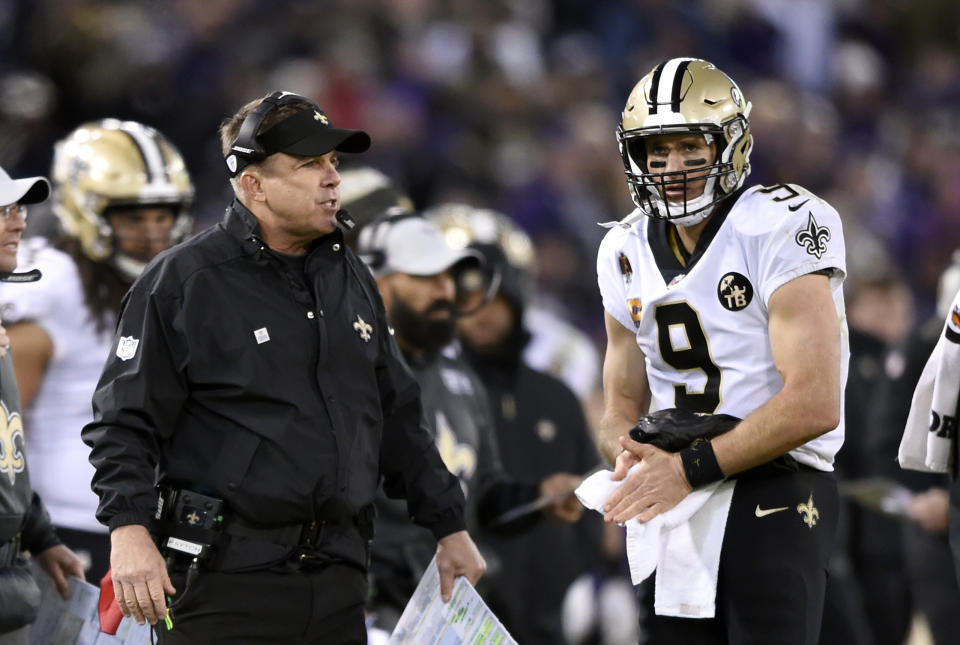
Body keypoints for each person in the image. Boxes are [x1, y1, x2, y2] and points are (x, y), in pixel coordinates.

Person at [81, 91, 485, 644]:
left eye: (333, 162)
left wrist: (449, 524)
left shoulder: (354, 279)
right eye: (309, 164)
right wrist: (128, 531)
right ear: (253, 184)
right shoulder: (183, 281)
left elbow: (396, 416)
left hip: (340, 579)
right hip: (223, 581)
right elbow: (123, 422)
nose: (331, 179)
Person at [595, 58, 848, 644]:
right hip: (673, 491)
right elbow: (618, 404)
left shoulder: (781, 222)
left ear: (730, 145)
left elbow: (814, 403)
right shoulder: (622, 248)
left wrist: (688, 467)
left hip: (776, 480)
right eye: (656, 152)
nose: (671, 166)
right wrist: (632, 455)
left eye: (689, 147)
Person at [354, 209, 583, 631]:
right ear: (375, 281)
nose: (445, 292)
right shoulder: (348, 373)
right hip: (369, 606)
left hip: (448, 610)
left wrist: (538, 497)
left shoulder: (460, 377)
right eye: (425, 278)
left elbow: (481, 499)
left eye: (448, 278)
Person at [0, 119, 193, 584]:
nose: (151, 233)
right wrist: (37, 534)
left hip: (144, 526)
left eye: (162, 215)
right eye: (132, 217)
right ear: (88, 211)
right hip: (70, 531)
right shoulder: (54, 283)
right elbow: (7, 427)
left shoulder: (175, 282)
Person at [426, 203, 604, 644]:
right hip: (461, 606)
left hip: (550, 607)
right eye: (467, 303)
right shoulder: (435, 390)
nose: (481, 315)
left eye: (494, 300)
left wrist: (579, 574)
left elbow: (590, 493)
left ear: (517, 299)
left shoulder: (557, 395)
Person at [0, 164, 85, 644]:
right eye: (3, 211)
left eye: (19, 209)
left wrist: (39, 536)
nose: (20, 223)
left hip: (10, 586)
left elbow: (4, 459)